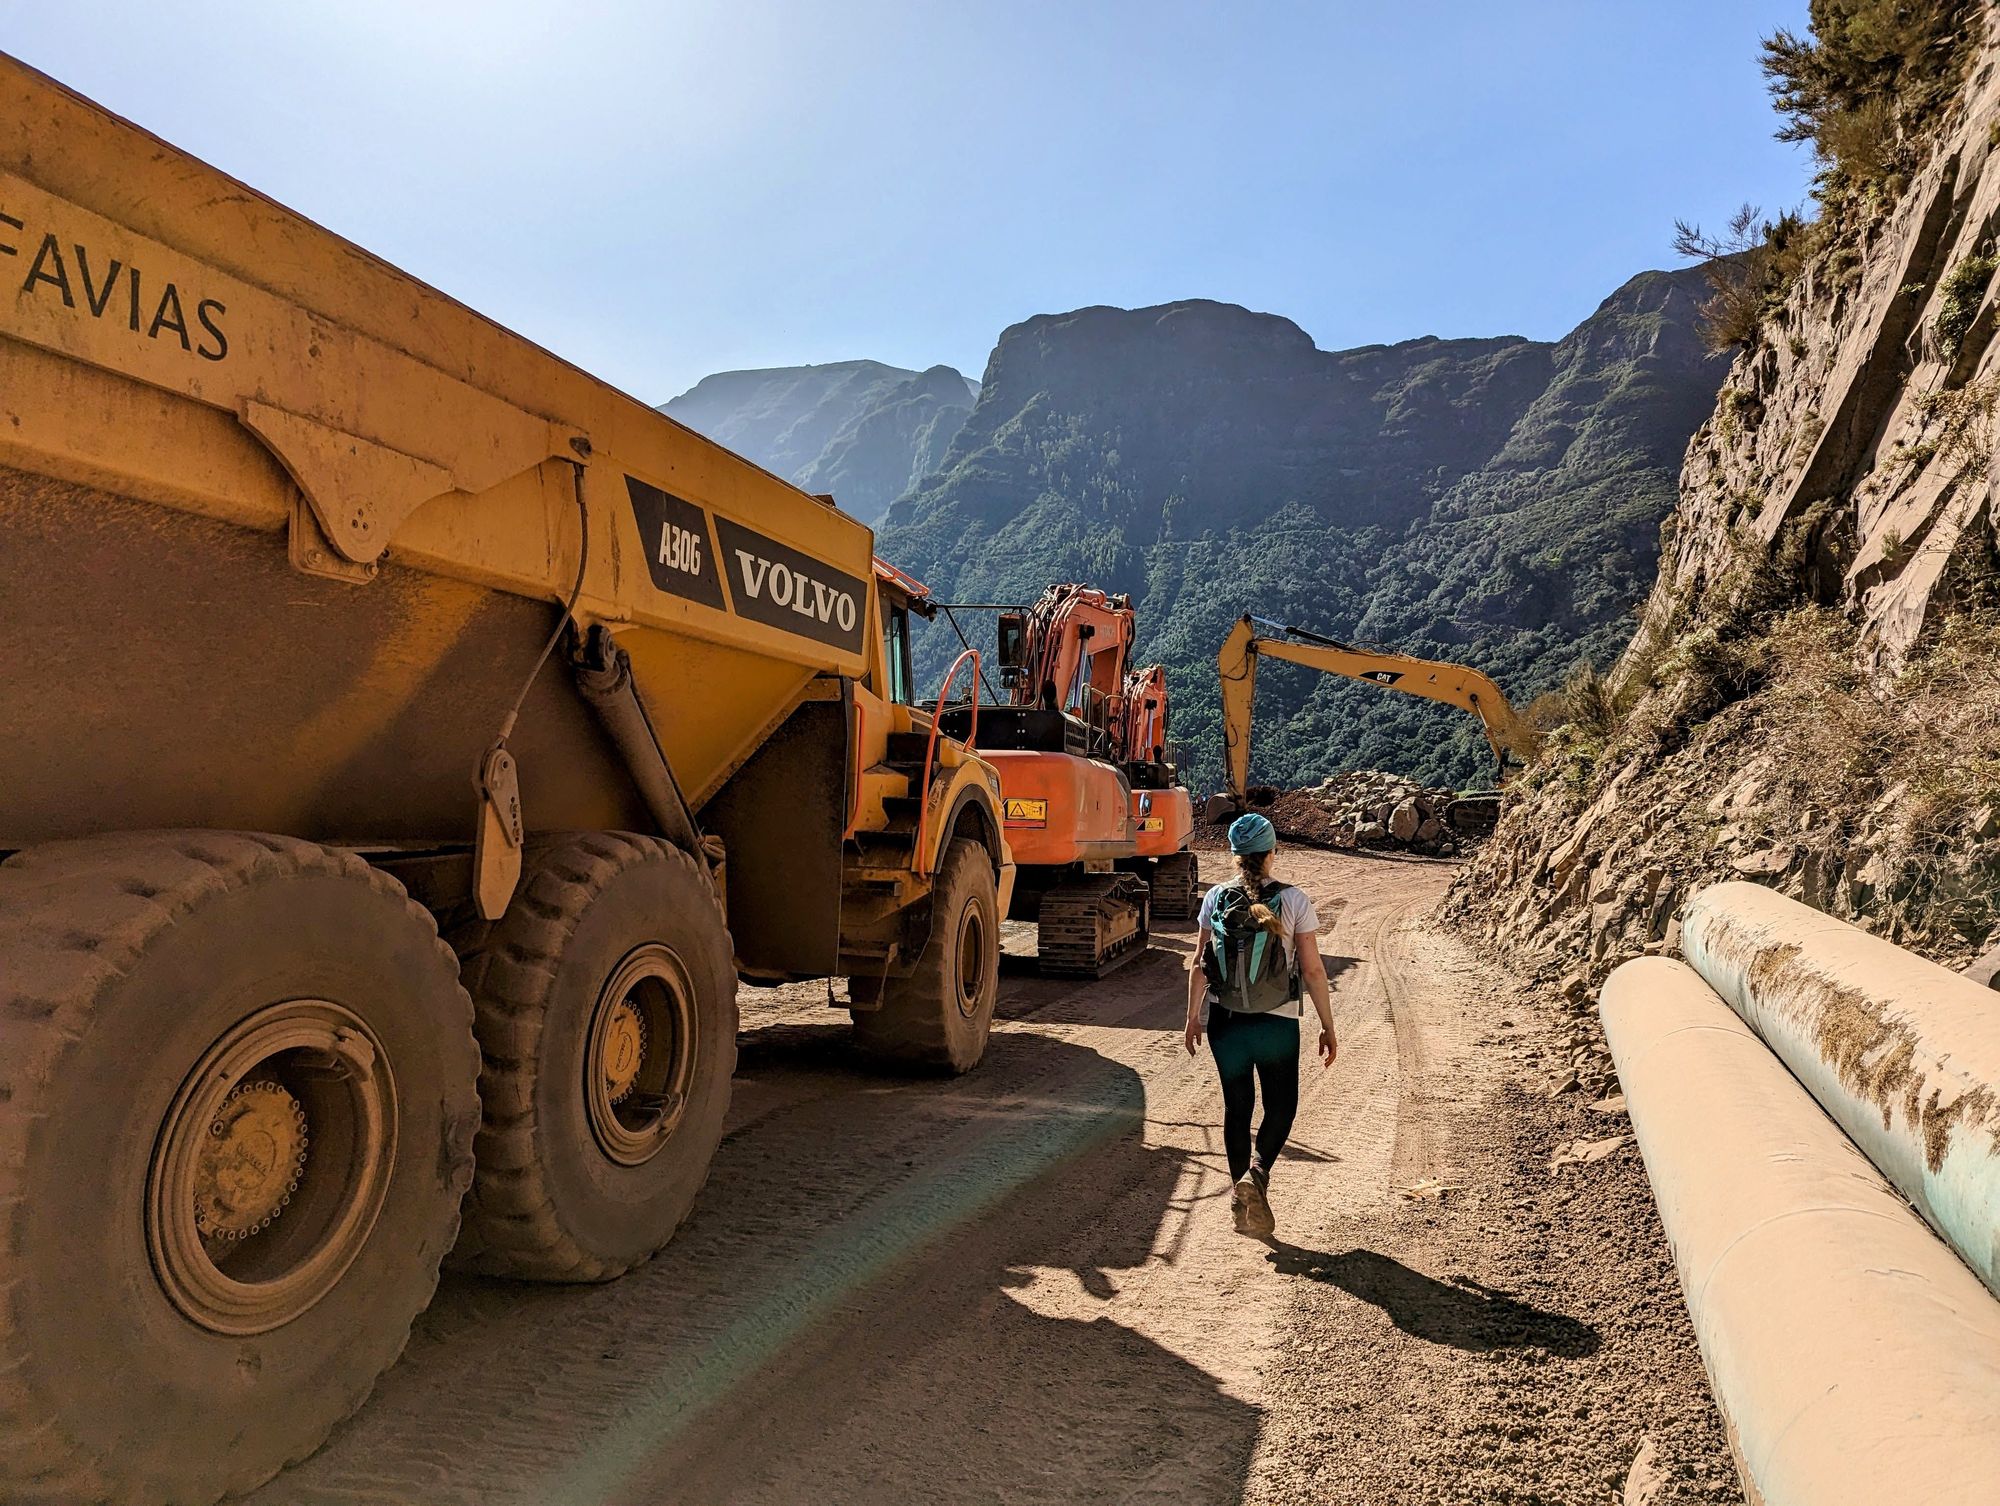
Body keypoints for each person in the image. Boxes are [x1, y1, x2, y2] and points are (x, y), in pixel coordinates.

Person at [1183, 812, 1337, 1238]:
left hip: (1226, 1021)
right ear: (1272, 853)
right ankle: (1258, 1173)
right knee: (1281, 1106)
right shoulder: (1293, 900)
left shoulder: (1214, 898)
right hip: (1276, 1021)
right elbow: (1313, 971)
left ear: (1234, 856)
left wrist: (1193, 1017)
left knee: (1237, 1109)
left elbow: (1199, 964)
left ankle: (1240, 1199)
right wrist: (1327, 1025)